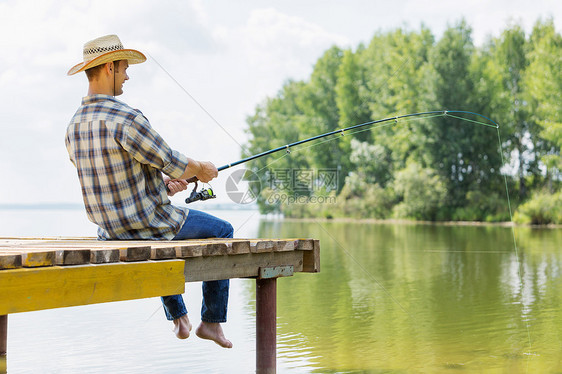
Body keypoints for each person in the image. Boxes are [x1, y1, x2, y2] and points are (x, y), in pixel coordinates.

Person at [65, 34, 232, 348]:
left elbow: (113, 180)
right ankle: (211, 322)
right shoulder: (125, 118)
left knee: (151, 234)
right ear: (109, 67)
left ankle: (179, 317)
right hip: (149, 225)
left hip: (110, 231)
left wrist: (164, 187)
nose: (127, 76)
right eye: (125, 68)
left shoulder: (73, 126)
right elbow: (173, 162)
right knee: (222, 230)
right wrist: (203, 169)